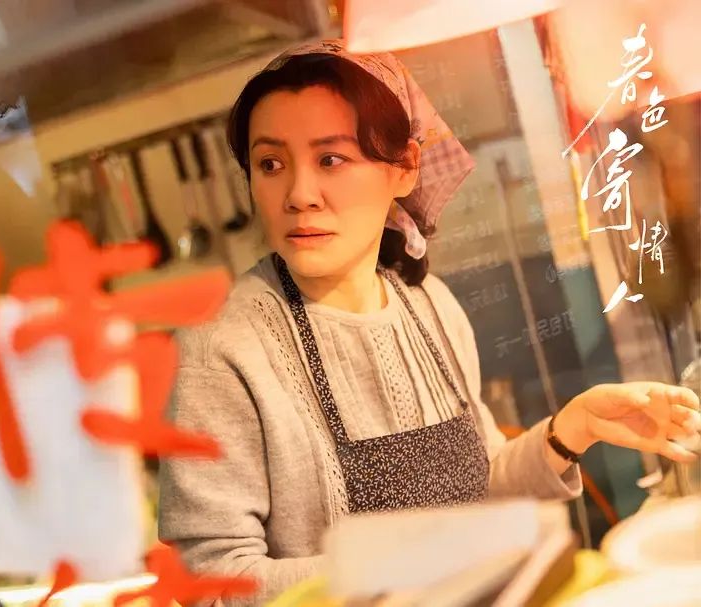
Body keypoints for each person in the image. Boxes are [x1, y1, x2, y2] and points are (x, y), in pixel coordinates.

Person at [157, 40, 701, 606]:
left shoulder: (429, 304)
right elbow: (209, 583)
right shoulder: (221, 349)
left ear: (405, 168)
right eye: (271, 164)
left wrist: (571, 430)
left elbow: (479, 487)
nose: (298, 195)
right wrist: (423, 560)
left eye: (331, 160)